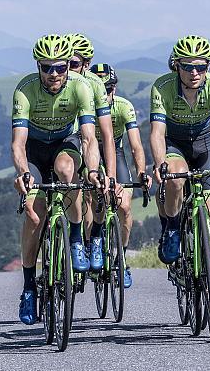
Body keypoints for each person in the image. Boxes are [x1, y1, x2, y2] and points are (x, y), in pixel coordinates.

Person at [11, 33, 103, 325]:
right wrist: (23, 173)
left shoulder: (81, 87)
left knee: (67, 172)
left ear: (68, 67)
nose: (54, 74)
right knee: (35, 217)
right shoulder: (25, 90)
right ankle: (28, 287)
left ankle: (76, 239)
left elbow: (89, 137)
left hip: (66, 141)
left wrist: (91, 170)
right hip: (35, 151)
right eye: (47, 68)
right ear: (38, 67)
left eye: (61, 67)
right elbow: (18, 143)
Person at [150, 35, 210, 317]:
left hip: (204, 145)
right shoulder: (163, 88)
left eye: (200, 67)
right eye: (188, 67)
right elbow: (156, 133)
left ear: (208, 67)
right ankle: (173, 228)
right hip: (174, 144)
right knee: (176, 177)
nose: (194, 73)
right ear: (176, 66)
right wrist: (160, 163)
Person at [89, 62, 151, 287]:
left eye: (109, 89)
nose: (105, 94)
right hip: (90, 150)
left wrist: (142, 172)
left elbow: (135, 145)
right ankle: (94, 240)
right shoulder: (84, 106)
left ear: (114, 88)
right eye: (100, 90)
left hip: (115, 149)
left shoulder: (124, 107)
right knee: (94, 197)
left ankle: (121, 259)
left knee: (124, 206)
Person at [63, 33, 118, 272]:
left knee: (98, 190)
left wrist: (112, 177)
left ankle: (95, 237)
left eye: (73, 64)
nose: (68, 69)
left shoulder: (94, 85)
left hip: (91, 144)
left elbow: (106, 135)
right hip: (67, 144)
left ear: (86, 65)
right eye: (65, 62)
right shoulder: (58, 83)